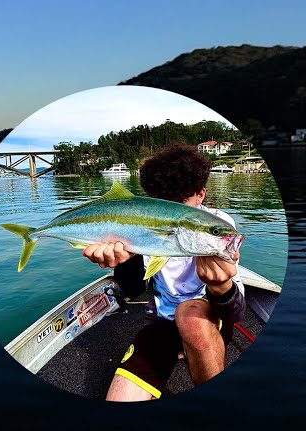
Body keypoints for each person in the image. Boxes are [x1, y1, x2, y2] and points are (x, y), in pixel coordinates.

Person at [82, 143, 246, 402]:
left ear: (200, 194)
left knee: (190, 314)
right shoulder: (141, 224)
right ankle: (177, 347)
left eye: (181, 203)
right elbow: (134, 289)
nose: (168, 216)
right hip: (160, 320)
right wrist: (126, 260)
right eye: (160, 204)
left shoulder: (220, 227)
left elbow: (235, 313)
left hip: (207, 319)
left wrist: (221, 287)